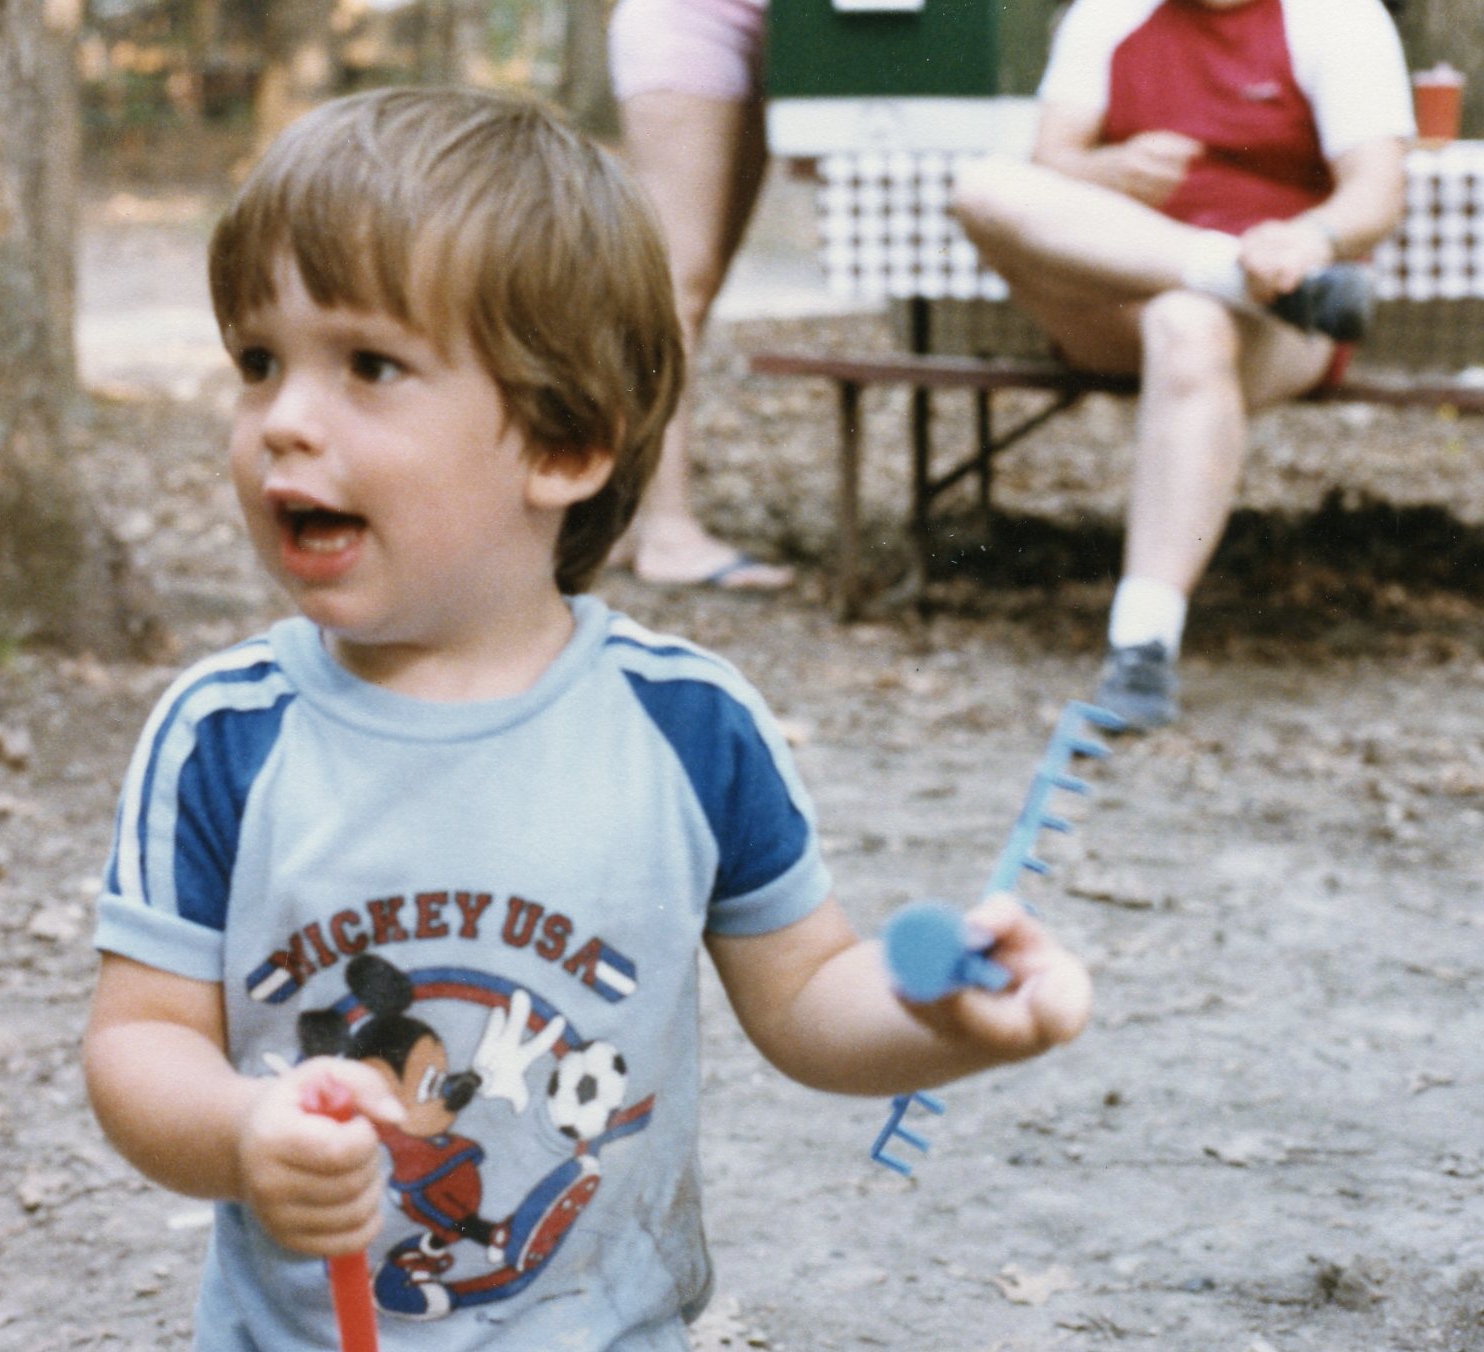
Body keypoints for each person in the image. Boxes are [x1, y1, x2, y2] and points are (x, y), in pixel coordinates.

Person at [82, 86, 1093, 1351]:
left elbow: (808, 998)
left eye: (370, 366)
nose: (282, 418)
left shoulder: (686, 728)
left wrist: (942, 1019)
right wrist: (242, 1131)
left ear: (561, 445)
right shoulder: (221, 735)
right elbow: (139, 1041)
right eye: (258, 363)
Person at [952, 0, 1413, 731]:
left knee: (1188, 323)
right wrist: (1106, 168)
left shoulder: (1335, 16)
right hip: (1120, 293)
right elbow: (1052, 161)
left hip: (1277, 313)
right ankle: (1227, 272)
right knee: (982, 187)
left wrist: (1308, 240)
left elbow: (1378, 190)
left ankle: (1143, 641)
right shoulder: (1108, 13)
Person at [606, 0, 793, 590]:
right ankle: (668, 530)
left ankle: (626, 519)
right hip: (691, 21)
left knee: (693, 290)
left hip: (775, 33)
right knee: (674, 288)